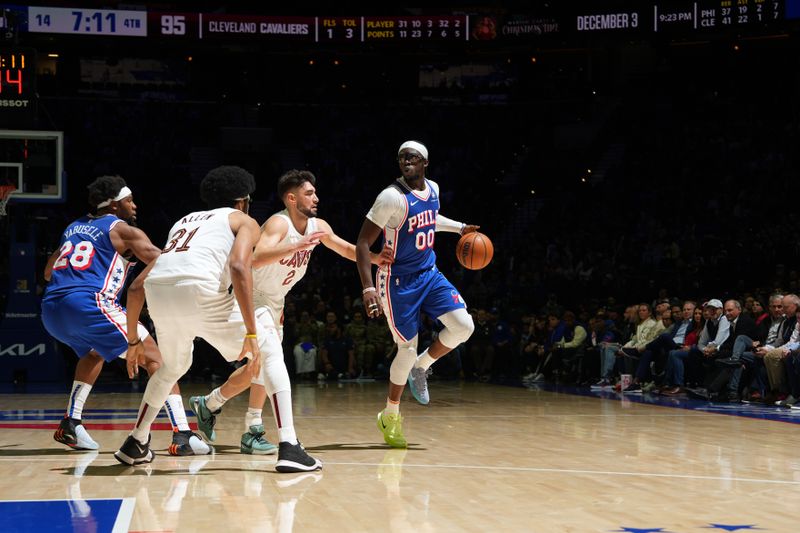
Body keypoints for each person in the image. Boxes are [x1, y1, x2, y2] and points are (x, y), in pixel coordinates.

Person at [188, 170, 391, 459]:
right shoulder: (278, 224)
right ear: (292, 198)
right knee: (268, 364)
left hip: (275, 301)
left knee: (257, 370)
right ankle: (252, 428)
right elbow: (253, 259)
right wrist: (293, 246)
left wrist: (374, 257)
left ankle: (210, 404)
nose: (316, 197)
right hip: (252, 298)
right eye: (310, 193)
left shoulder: (317, 225)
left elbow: (344, 248)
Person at [113, 166, 272, 467]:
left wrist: (133, 338)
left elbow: (136, 287)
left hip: (159, 293)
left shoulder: (182, 222)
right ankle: (285, 439)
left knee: (172, 368)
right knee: (265, 344)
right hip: (199, 290)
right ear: (242, 202)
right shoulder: (242, 220)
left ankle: (136, 440)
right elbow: (240, 268)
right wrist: (251, 331)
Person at [41, 175, 207, 456]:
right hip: (89, 303)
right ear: (115, 205)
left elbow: (48, 272)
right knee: (158, 360)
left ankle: (71, 422)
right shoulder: (123, 230)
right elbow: (162, 259)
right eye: (129, 200)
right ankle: (183, 434)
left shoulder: (73, 228)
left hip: (52, 309)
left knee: (94, 353)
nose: (135, 205)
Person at [356, 140, 479, 448]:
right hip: (397, 282)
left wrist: (461, 228)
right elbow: (361, 244)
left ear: (425, 162)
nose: (405, 162)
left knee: (464, 327)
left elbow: (430, 220)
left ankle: (422, 367)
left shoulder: (433, 189)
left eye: (412, 158)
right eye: (401, 158)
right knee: (405, 350)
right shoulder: (390, 197)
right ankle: (391, 415)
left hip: (429, 274)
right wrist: (368, 287)